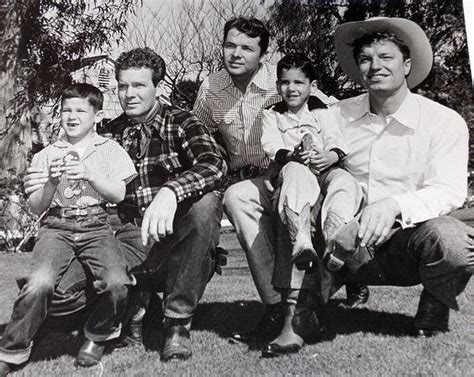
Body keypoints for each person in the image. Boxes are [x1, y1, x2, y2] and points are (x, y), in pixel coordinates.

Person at [22, 47, 227, 363]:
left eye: (139, 85)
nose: (129, 94)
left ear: (157, 87)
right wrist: (43, 180)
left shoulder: (181, 122)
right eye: (122, 86)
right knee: (59, 290)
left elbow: (214, 164)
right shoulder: (109, 132)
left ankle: (177, 323)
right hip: (126, 236)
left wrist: (171, 192)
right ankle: (133, 307)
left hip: (177, 240)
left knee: (207, 204)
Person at [193, 16, 368, 344]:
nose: (236, 54)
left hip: (302, 172)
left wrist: (330, 154)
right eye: (230, 45)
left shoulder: (285, 78)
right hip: (254, 177)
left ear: (263, 54)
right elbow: (196, 132)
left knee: (310, 196)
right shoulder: (211, 87)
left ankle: (332, 273)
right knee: (235, 197)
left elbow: (331, 114)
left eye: (247, 48)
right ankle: (275, 306)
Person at [317, 17, 472, 339]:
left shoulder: (444, 121)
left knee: (456, 243)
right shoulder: (333, 117)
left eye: (386, 57)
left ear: (407, 65)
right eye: (365, 59)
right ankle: (302, 302)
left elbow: (449, 190)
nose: (375, 66)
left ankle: (433, 307)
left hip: (407, 243)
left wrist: (394, 206)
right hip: (344, 241)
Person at [0, 83, 137, 375]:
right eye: (66, 110)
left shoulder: (110, 150)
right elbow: (37, 207)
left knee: (117, 283)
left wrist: (90, 175)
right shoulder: (46, 154)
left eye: (80, 111)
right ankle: (12, 350)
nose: (71, 116)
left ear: (96, 116)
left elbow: (118, 194)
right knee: (40, 283)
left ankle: (97, 335)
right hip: (57, 226)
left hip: (96, 224)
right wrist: (50, 182)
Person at [259, 53, 363, 356]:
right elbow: (271, 145)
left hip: (325, 169)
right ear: (278, 86)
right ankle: (301, 238)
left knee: (345, 182)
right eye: (285, 83)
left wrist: (329, 156)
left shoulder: (322, 109)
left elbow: (336, 141)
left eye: (299, 83)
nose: (291, 89)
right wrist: (291, 156)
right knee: (294, 174)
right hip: (296, 172)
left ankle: (335, 238)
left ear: (311, 85)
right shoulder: (272, 114)